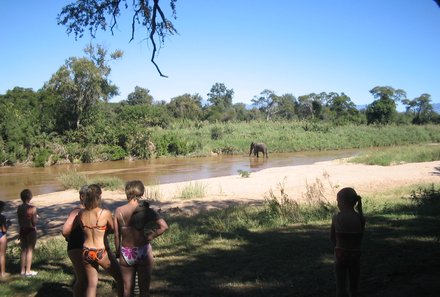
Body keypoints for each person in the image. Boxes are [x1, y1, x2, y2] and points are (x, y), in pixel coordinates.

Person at [114, 180, 168, 297]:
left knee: (127, 290)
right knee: (144, 291)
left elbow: (117, 235)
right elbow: (164, 227)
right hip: (143, 251)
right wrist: (152, 235)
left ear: (127, 193)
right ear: (141, 193)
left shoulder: (119, 211)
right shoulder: (147, 210)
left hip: (126, 253)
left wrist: (118, 251)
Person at [68, 184, 123, 297]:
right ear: (99, 196)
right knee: (121, 278)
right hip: (101, 251)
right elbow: (114, 228)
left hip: (86, 251)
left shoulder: (81, 213)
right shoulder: (104, 213)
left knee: (92, 285)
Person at [330, 187, 365, 297]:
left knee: (340, 287)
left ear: (342, 202)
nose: (337, 204)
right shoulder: (360, 218)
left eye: (338, 201)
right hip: (355, 255)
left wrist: (336, 247)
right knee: (354, 287)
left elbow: (332, 237)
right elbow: (360, 237)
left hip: (341, 255)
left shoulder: (337, 218)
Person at [62, 185, 88, 296]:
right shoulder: (77, 211)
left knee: (86, 279)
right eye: (91, 196)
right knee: (82, 279)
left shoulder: (85, 210)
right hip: (76, 247)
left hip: (82, 247)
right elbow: (65, 231)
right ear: (82, 196)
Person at [17, 189, 38, 276]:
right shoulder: (32, 208)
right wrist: (37, 218)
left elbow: (19, 220)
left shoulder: (19, 208)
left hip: (22, 229)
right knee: (29, 250)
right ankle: (28, 271)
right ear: (30, 197)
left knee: (23, 250)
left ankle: (22, 271)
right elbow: (34, 222)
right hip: (30, 229)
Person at [0, 201, 11, 277]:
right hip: (1, 236)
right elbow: (4, 230)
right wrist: (8, 224)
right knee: (2, 255)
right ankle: (3, 273)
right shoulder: (2, 217)